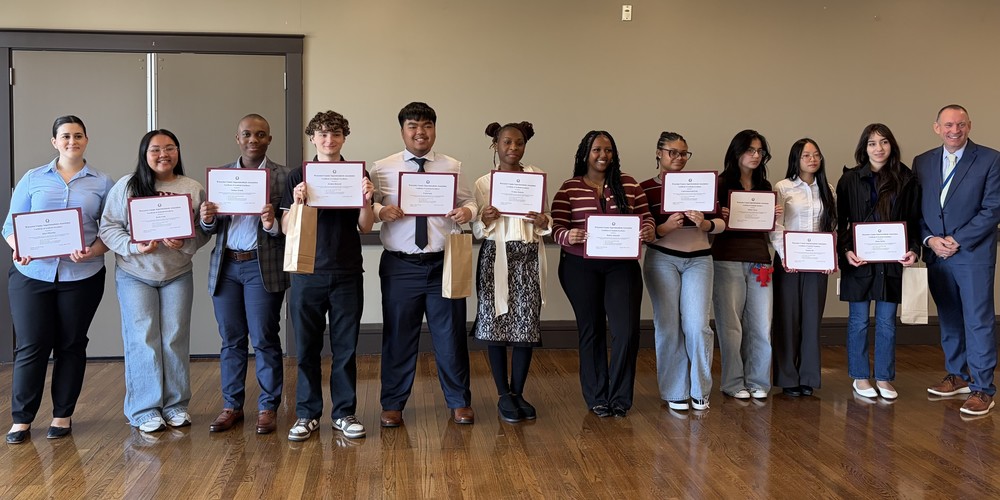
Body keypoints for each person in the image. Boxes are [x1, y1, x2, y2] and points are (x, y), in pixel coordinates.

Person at [3, 116, 115, 444]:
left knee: (71, 344)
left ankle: (62, 416)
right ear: (54, 141)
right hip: (32, 274)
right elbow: (10, 226)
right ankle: (21, 420)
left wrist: (94, 251)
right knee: (31, 346)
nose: (71, 141)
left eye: (78, 135)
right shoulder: (32, 178)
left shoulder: (103, 182)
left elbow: (110, 228)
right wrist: (19, 249)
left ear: (86, 140)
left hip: (81, 275)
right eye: (65, 136)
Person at [371, 102, 478, 427]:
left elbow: (469, 200)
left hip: (443, 262)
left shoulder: (451, 165)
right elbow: (367, 203)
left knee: (450, 336)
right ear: (402, 130)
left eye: (427, 126)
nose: (421, 132)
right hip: (400, 266)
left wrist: (468, 213)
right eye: (413, 126)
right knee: (398, 336)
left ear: (435, 129)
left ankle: (459, 401)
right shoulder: (382, 168)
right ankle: (392, 404)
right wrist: (379, 212)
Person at [99, 129, 210, 433]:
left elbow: (204, 231)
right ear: (144, 154)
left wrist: (183, 244)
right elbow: (108, 228)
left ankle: (176, 405)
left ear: (178, 152)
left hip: (177, 274)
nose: (163, 154)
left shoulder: (192, 188)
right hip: (136, 274)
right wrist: (136, 246)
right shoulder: (127, 186)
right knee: (143, 340)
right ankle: (144, 410)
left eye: (170, 148)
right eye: (155, 149)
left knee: (174, 338)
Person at [279, 110, 374, 441]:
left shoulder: (356, 176)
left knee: (345, 348)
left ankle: (344, 413)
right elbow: (286, 227)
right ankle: (307, 414)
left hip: (347, 270)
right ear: (312, 138)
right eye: (322, 134)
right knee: (306, 348)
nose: (329, 140)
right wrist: (298, 203)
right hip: (306, 272)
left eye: (335, 134)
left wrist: (366, 199)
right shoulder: (297, 177)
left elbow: (365, 226)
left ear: (344, 137)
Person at [551, 130, 656, 417]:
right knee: (592, 330)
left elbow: (646, 218)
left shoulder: (630, 184)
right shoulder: (569, 188)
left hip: (621, 266)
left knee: (626, 331)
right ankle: (597, 396)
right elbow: (555, 226)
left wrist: (649, 229)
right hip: (579, 267)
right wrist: (567, 235)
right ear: (586, 153)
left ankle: (620, 397)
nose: (603, 155)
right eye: (596, 149)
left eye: (608, 150)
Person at [199, 114, 290, 435]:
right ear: (237, 138)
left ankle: (267, 407)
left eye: (261, 134)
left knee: (265, 339)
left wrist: (272, 222)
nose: (254, 139)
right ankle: (231, 406)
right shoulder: (221, 176)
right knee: (232, 340)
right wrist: (207, 218)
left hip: (261, 267)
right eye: (247, 134)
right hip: (226, 267)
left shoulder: (283, 177)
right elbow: (208, 229)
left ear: (269, 139)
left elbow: (291, 230)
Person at [916, 105, 1000, 416]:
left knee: (978, 320)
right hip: (937, 253)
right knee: (949, 317)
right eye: (949, 125)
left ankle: (982, 388)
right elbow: (918, 209)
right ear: (936, 127)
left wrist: (958, 240)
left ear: (969, 126)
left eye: (961, 124)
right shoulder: (922, 162)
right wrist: (929, 240)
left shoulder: (991, 159)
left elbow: (992, 209)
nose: (955, 130)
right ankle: (959, 375)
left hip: (972, 253)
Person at [471, 121, 551, 423]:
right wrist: (485, 217)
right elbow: (478, 229)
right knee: (497, 322)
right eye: (506, 142)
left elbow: (547, 219)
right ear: (496, 145)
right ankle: (503, 394)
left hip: (528, 255)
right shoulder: (483, 183)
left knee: (526, 323)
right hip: (497, 255)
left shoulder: (535, 177)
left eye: (518, 143)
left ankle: (518, 392)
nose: (513, 149)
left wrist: (543, 219)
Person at [640, 131, 723, 412]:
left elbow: (722, 223)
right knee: (668, 327)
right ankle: (676, 390)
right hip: (662, 259)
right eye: (672, 152)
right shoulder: (644, 189)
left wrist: (705, 225)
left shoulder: (703, 186)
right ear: (658, 153)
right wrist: (665, 228)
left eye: (684, 153)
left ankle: (700, 389)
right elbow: (644, 233)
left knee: (698, 325)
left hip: (699, 259)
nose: (678, 158)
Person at [836, 124, 919, 400]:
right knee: (858, 321)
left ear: (891, 145)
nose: (879, 148)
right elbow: (841, 221)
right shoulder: (849, 179)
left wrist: (914, 249)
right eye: (872, 143)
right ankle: (860, 377)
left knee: (886, 322)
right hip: (858, 261)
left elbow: (915, 220)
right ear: (864, 148)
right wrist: (846, 250)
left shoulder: (906, 178)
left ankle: (884, 377)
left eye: (884, 142)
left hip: (891, 262)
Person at [712, 129, 781, 401]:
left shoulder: (766, 187)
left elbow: (770, 231)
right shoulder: (719, 184)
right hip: (726, 259)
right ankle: (732, 382)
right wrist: (719, 213)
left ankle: (758, 381)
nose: (755, 155)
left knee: (762, 325)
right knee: (731, 325)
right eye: (750, 150)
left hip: (760, 260)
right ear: (737, 152)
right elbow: (707, 226)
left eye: (760, 151)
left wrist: (775, 215)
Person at [769, 138, 837, 397]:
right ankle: (787, 377)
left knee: (812, 320)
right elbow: (776, 226)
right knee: (787, 318)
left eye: (816, 155)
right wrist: (787, 256)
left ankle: (808, 376)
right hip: (788, 262)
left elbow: (831, 227)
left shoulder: (828, 189)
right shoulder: (783, 187)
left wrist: (830, 257)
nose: (812, 159)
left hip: (818, 264)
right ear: (795, 159)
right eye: (806, 155)